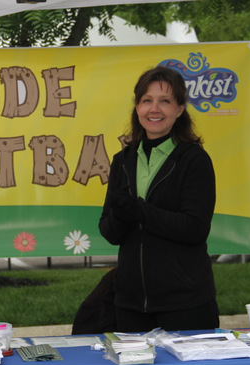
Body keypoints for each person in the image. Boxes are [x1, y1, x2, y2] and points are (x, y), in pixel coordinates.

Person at [98, 65, 219, 332]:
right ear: (137, 107)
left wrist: (140, 211)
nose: (154, 109)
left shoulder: (194, 160)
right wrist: (121, 215)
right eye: (147, 100)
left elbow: (195, 228)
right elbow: (109, 232)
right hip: (130, 305)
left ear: (180, 109)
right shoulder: (122, 161)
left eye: (165, 101)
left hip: (185, 303)